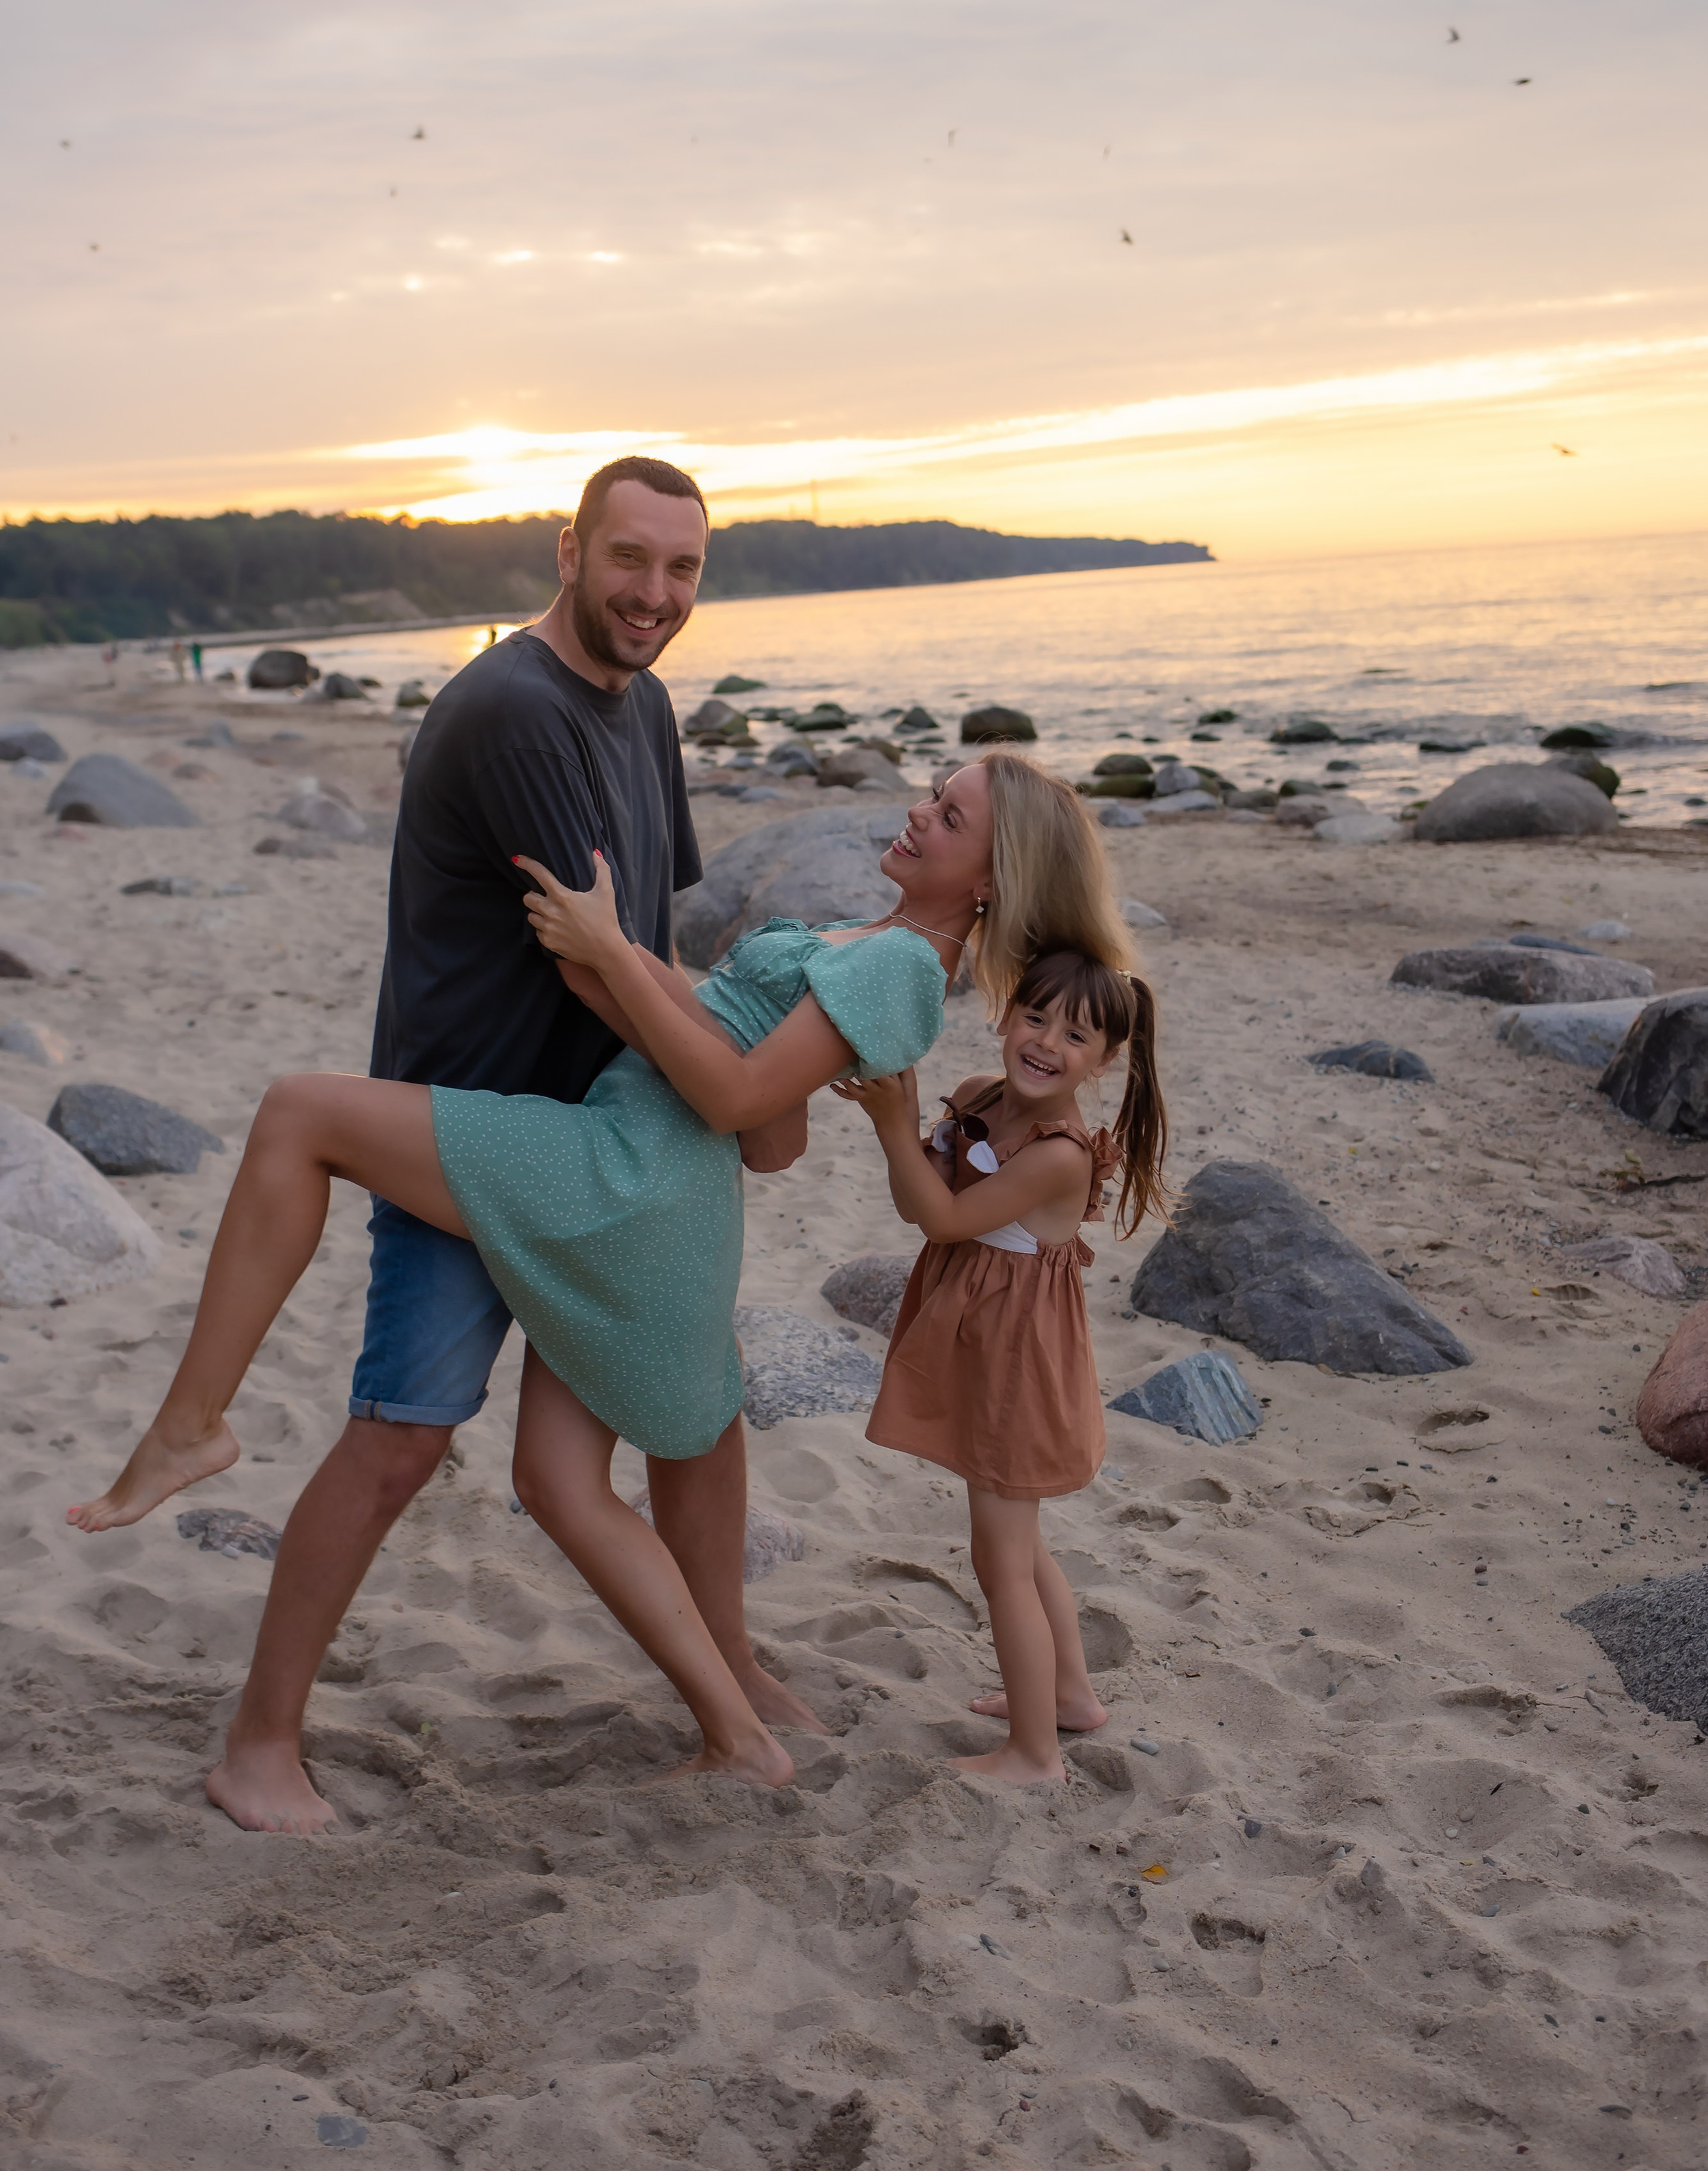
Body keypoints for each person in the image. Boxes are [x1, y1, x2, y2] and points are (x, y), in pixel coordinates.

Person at [71, 739, 1113, 1803]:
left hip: (633, 1176)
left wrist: (615, 956)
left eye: (949, 816)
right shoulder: (884, 942)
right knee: (557, 1480)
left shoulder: (900, 967)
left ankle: (193, 1423)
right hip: (655, 1179)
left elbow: (737, 1100)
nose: (919, 814)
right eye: (932, 796)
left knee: (302, 1111)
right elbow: (760, 1109)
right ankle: (737, 1732)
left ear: (990, 878)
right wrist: (616, 950)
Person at [71, 453, 808, 1834]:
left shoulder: (640, 708)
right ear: (566, 549)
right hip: (473, 1134)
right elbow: (597, 972)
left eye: (682, 568)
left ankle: (732, 1676)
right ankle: (259, 1745)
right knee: (402, 1438)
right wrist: (742, 1091)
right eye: (630, 559)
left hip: (608, 1141)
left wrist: (720, 1097)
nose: (654, 593)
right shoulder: (514, 709)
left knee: (691, 1414)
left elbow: (644, 938)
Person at [837, 943, 1168, 1786]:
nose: (1048, 1042)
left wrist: (888, 1129)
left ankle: (1035, 1755)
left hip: (1021, 1368)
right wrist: (902, 1120)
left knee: (1001, 1561)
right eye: (1036, 1016)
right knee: (1022, 1548)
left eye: (1077, 1036)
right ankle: (1071, 1699)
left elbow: (942, 1220)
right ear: (1003, 1012)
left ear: (1104, 1061)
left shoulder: (1059, 1152)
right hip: (989, 1350)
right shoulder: (985, 1098)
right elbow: (926, 1197)